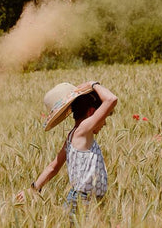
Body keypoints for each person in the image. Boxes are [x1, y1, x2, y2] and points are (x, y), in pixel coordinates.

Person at [16, 81, 117, 221]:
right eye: (103, 118)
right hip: (83, 202)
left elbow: (53, 166)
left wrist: (33, 189)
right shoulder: (83, 130)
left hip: (84, 201)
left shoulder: (72, 135)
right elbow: (111, 99)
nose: (104, 123)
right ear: (91, 113)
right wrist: (93, 84)